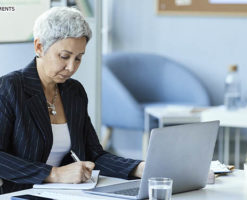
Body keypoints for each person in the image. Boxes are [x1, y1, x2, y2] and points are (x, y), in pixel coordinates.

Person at [0, 7, 145, 194]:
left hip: (68, 193)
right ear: (39, 47)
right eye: (64, 56)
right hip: (22, 194)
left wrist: (139, 168)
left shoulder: (74, 91)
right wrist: (54, 174)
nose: (71, 67)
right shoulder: (10, 88)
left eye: (78, 58)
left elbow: (94, 154)